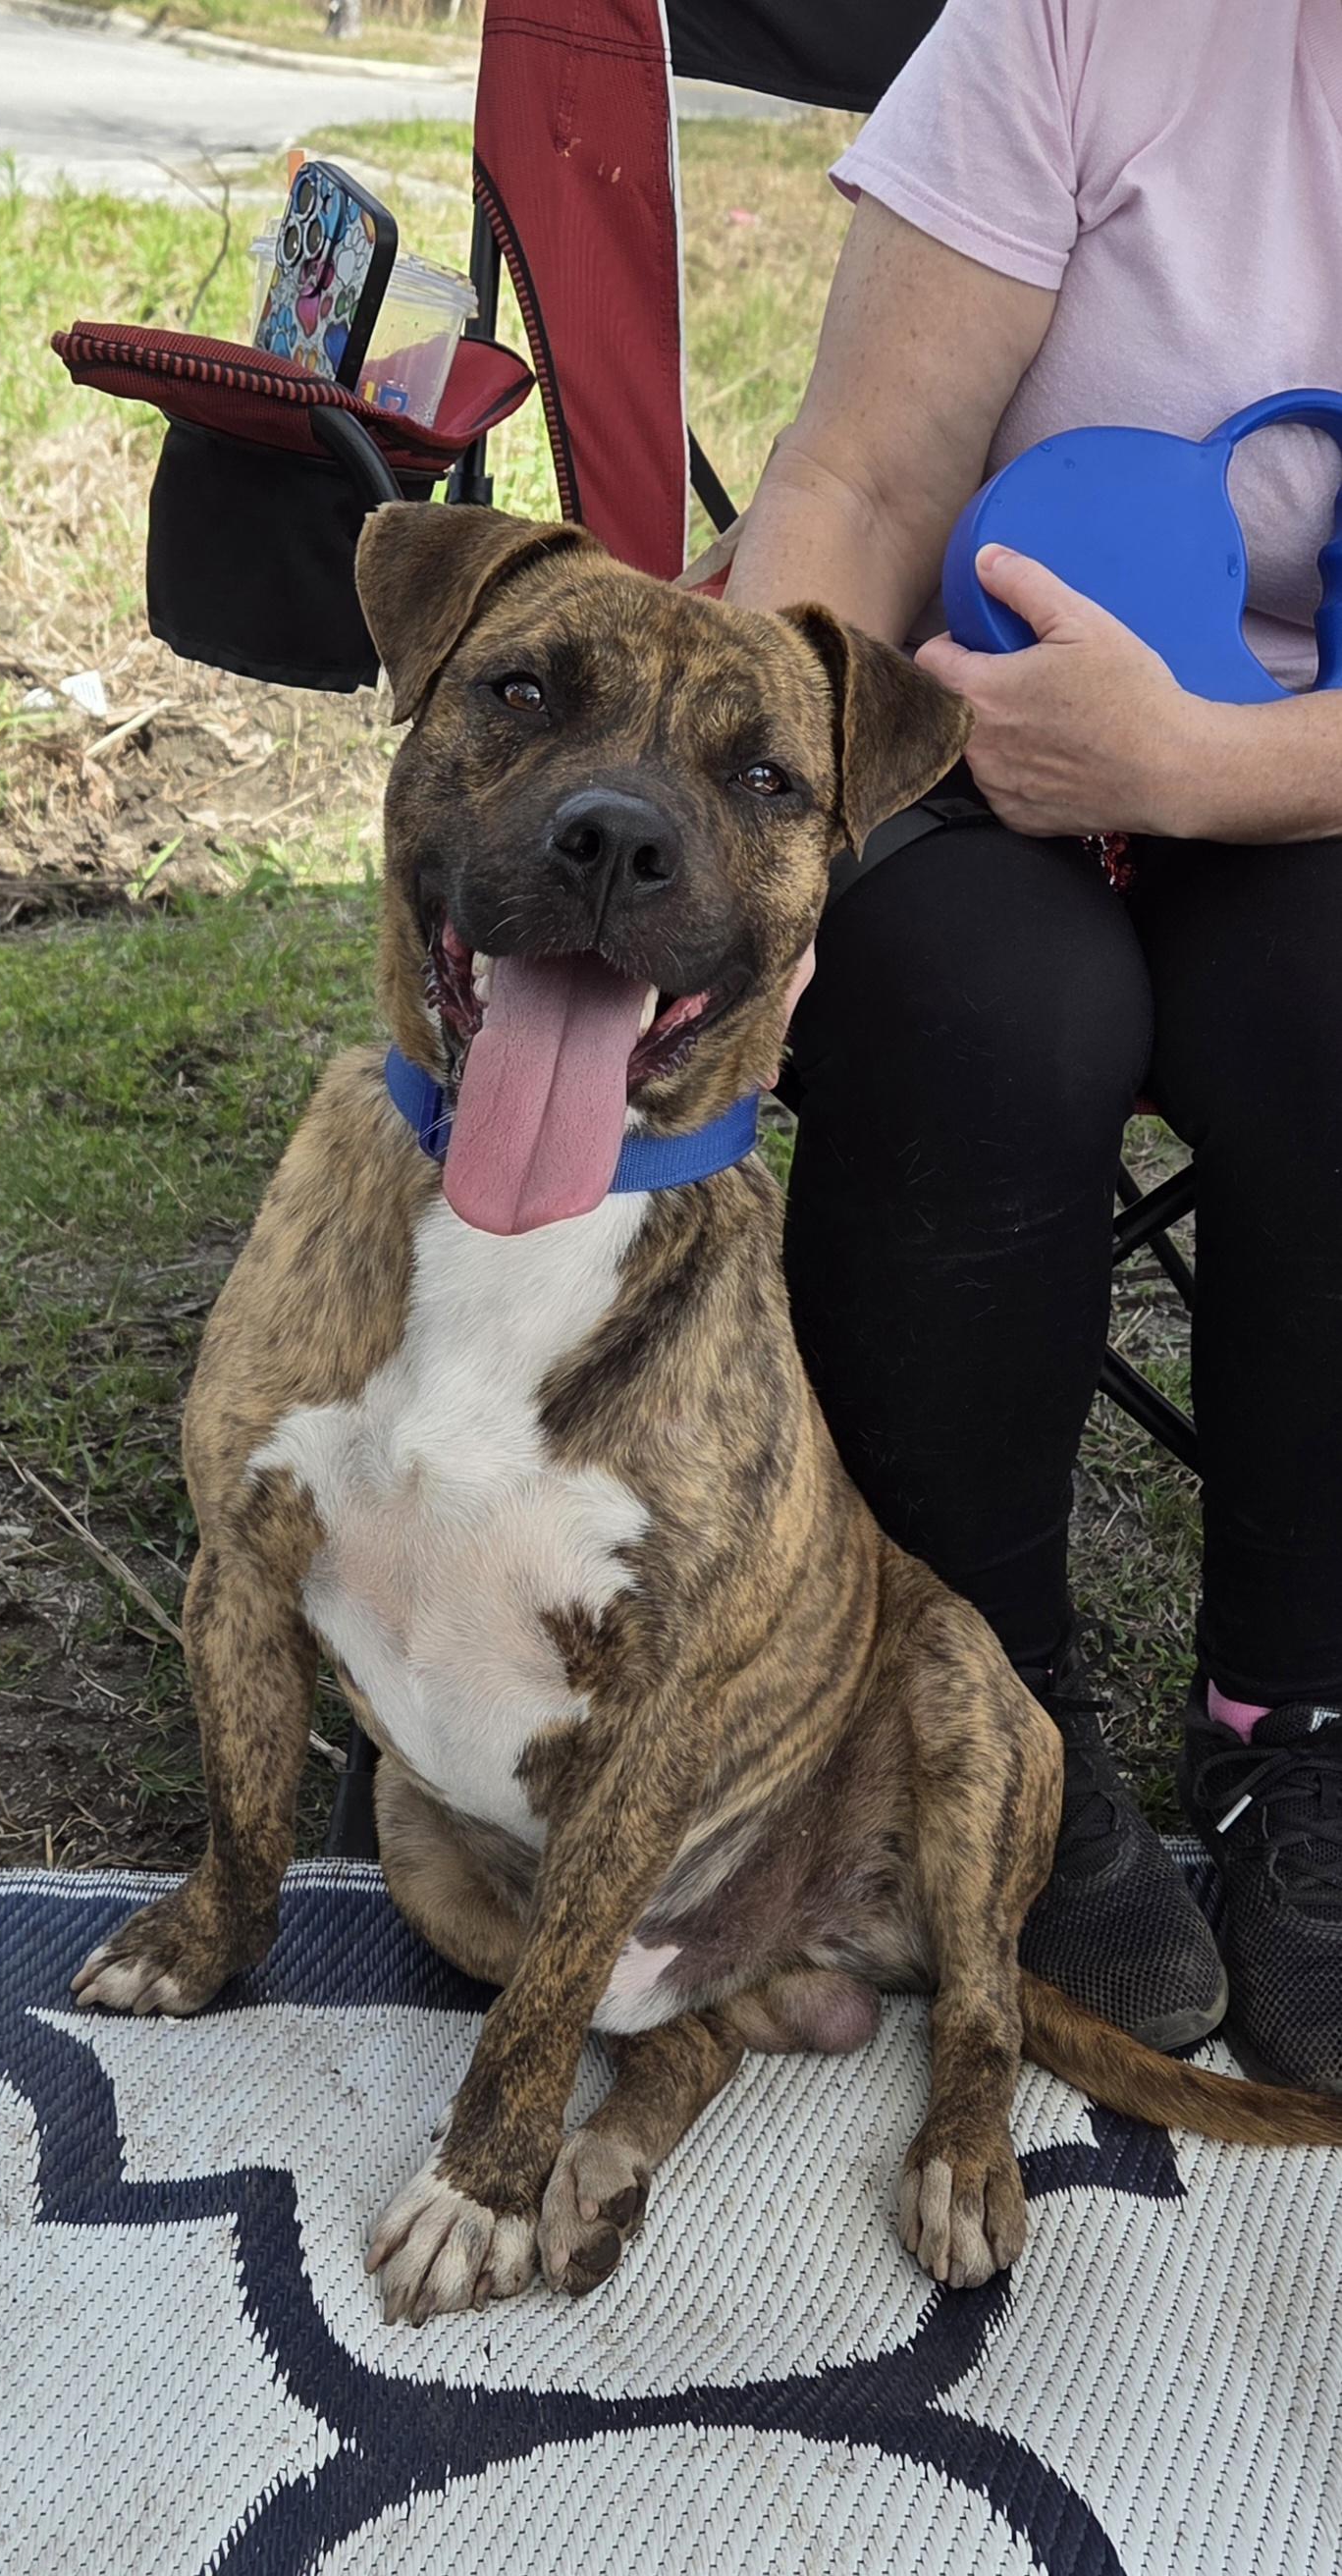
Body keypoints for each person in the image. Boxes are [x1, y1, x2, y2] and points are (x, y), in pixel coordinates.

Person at [725, 0, 1342, 2088]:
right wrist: (775, 828)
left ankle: (1299, 1725)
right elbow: (867, 470)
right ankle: (983, 1718)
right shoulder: (1078, 20)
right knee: (997, 1011)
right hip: (976, 704)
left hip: (1311, 764)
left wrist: (1202, 763)